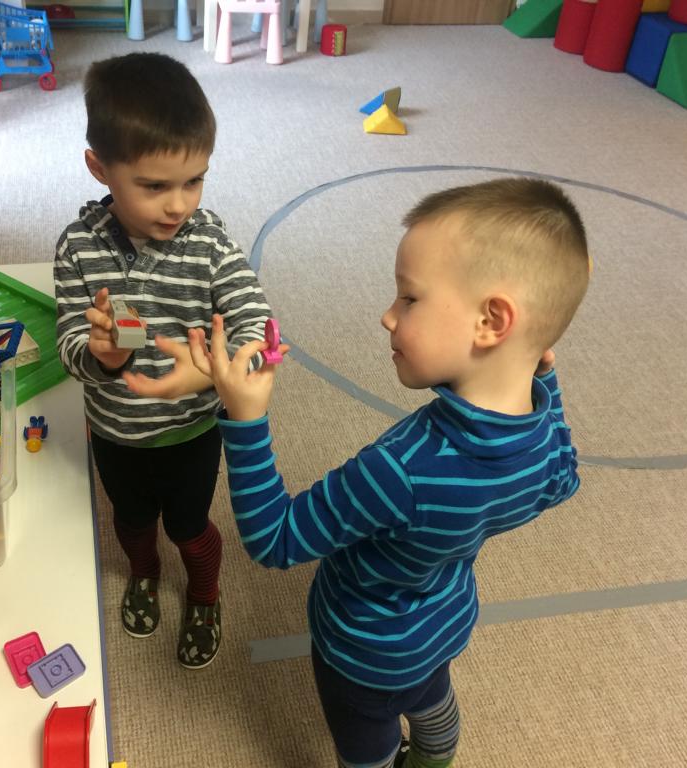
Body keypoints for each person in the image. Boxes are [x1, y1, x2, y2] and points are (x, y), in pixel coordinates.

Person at [189, 178, 590, 766]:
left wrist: (245, 418)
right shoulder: (543, 443)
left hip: (363, 655)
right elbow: (567, 477)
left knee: (367, 748)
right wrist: (542, 376)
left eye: (409, 298)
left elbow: (274, 540)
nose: (387, 315)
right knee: (432, 704)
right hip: (445, 623)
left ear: (490, 321)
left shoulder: (401, 470)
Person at [54, 52, 272, 670]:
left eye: (194, 181)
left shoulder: (209, 244)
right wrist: (102, 354)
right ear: (100, 168)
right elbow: (68, 340)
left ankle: (203, 595)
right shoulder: (77, 248)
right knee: (130, 521)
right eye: (154, 186)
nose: (179, 205)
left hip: (190, 433)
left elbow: (260, 326)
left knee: (189, 526)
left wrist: (214, 369)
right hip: (115, 432)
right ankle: (144, 573)